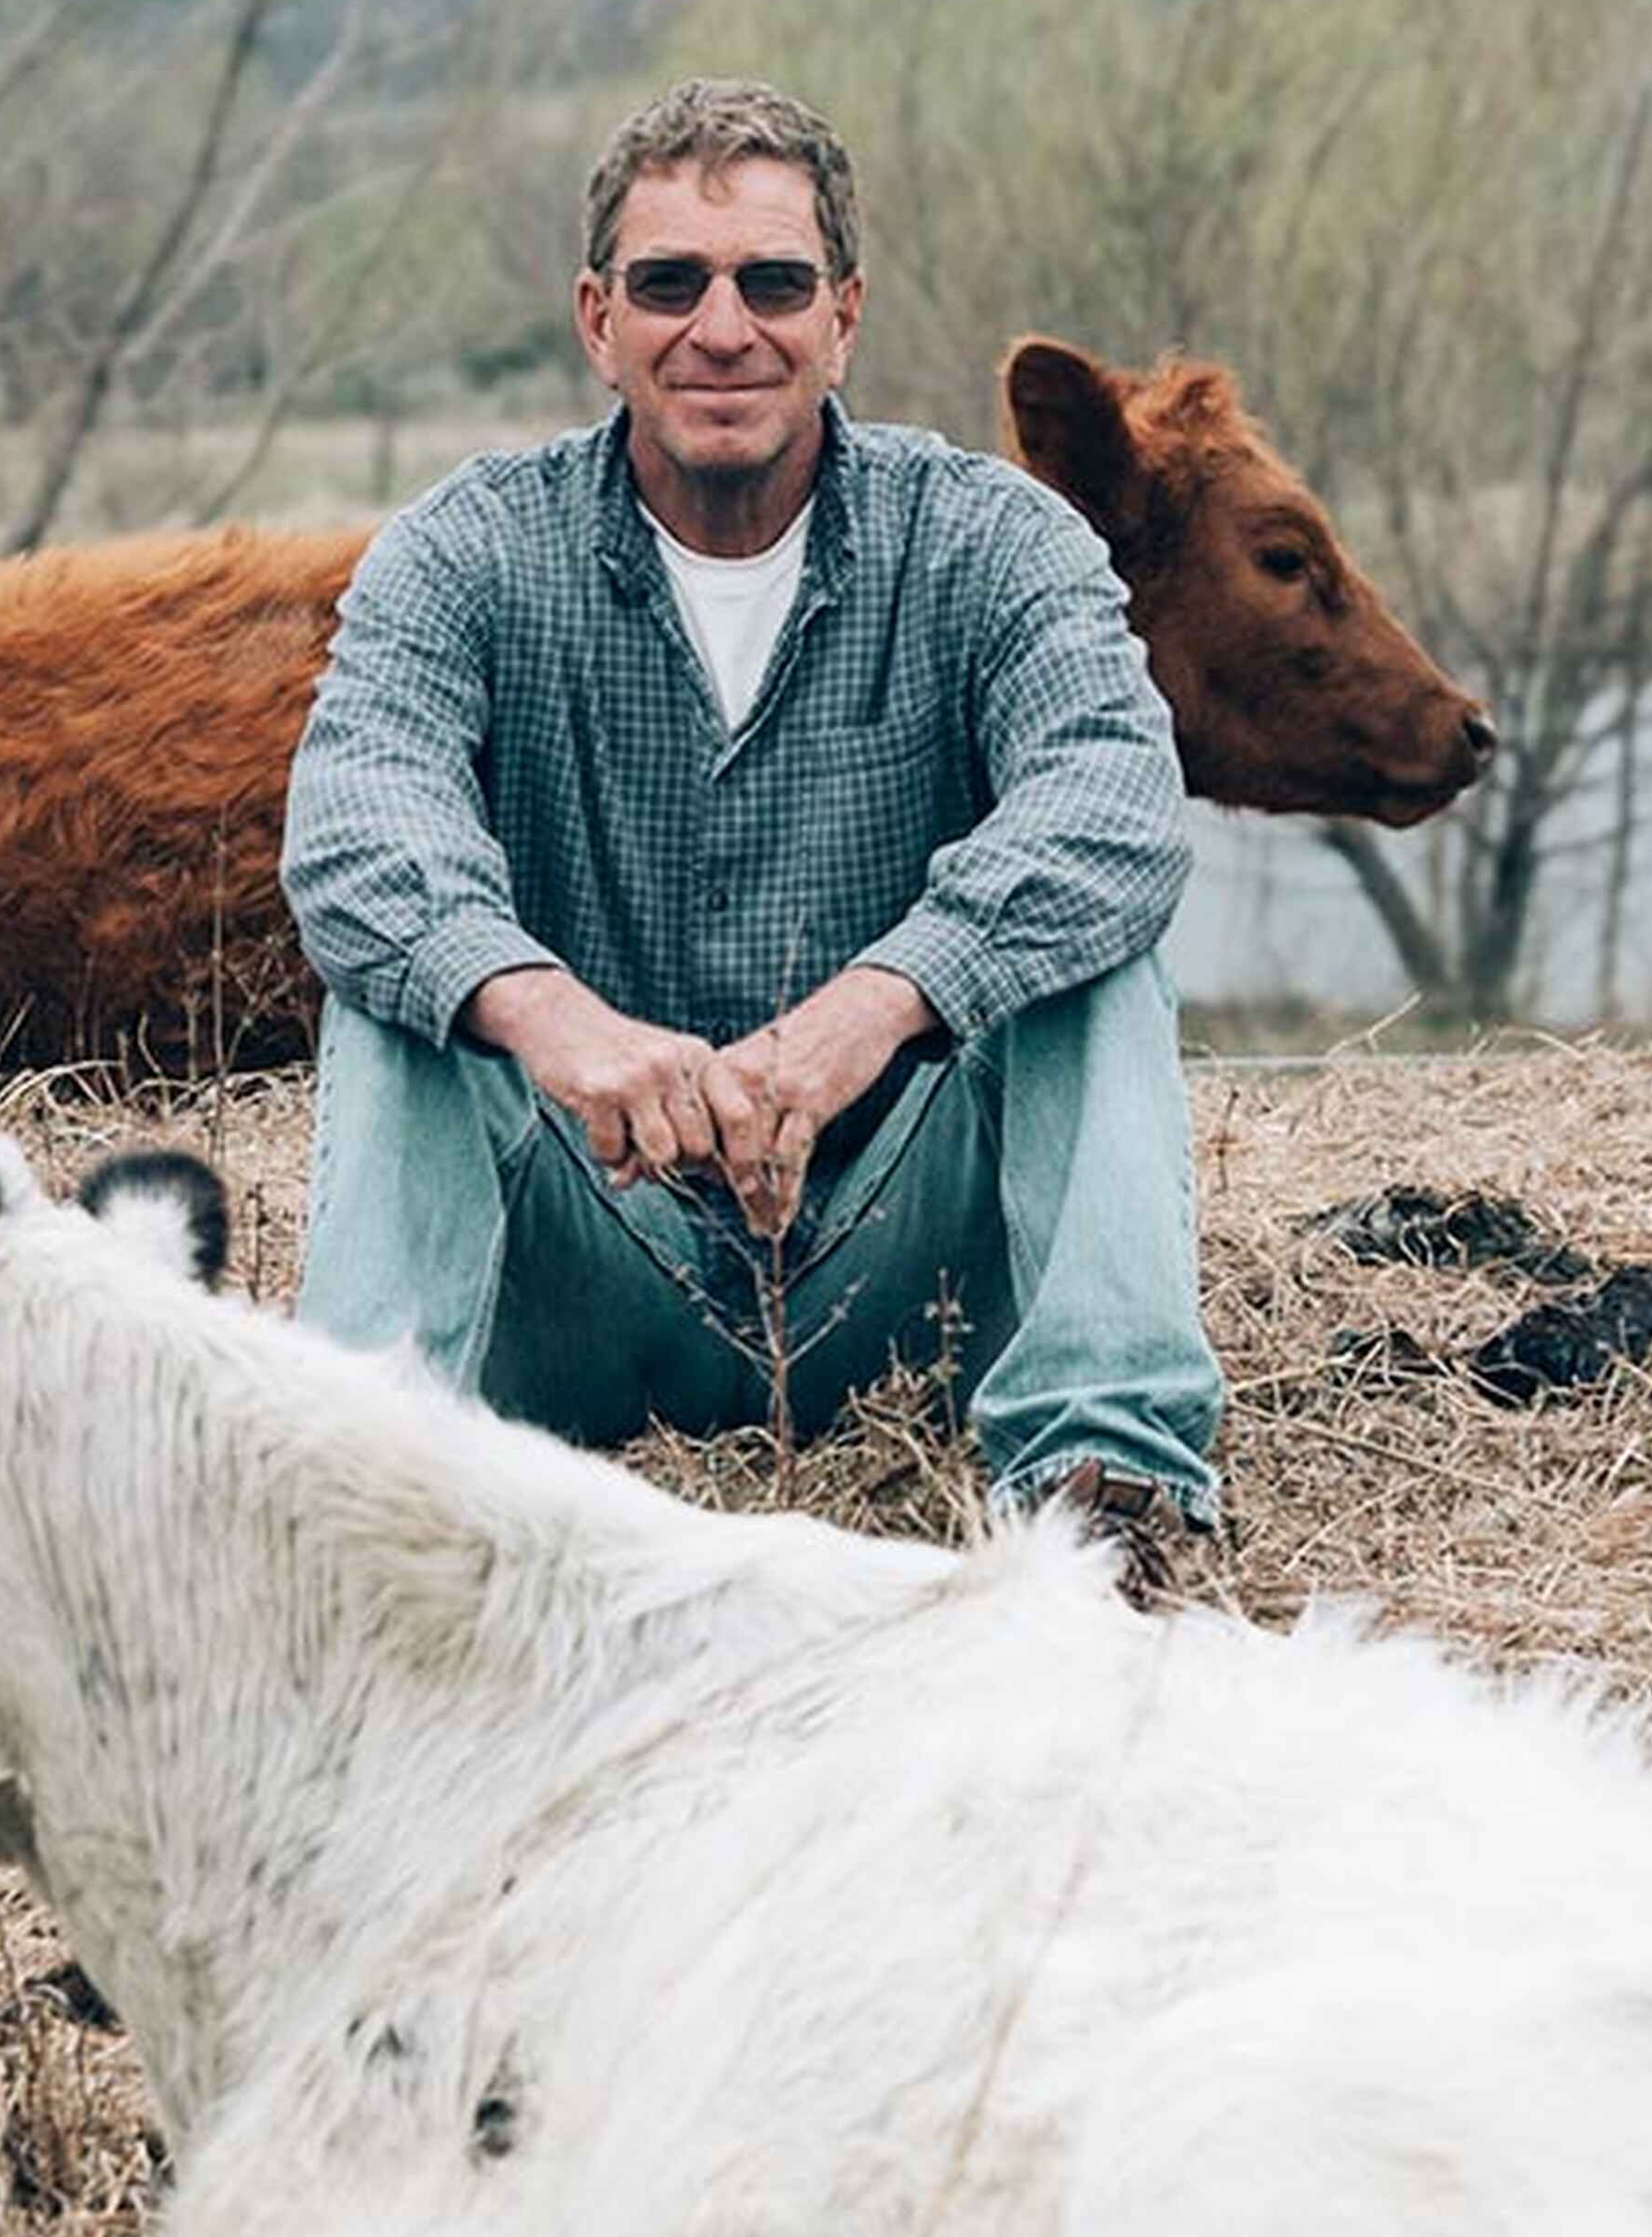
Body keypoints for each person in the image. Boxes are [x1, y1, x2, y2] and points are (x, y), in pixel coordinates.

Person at [281, 76, 1222, 1528]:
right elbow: (356, 833)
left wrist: (883, 1000)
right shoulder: (459, 553)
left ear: (843, 317)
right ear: (601, 321)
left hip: (905, 1276)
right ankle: (342, 1498)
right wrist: (547, 1013)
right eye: (671, 283)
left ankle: (1110, 1487)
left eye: (772, 282)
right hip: (577, 1259)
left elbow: (1116, 800)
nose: (723, 328)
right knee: (412, 987)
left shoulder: (994, 542)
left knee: (1088, 948)